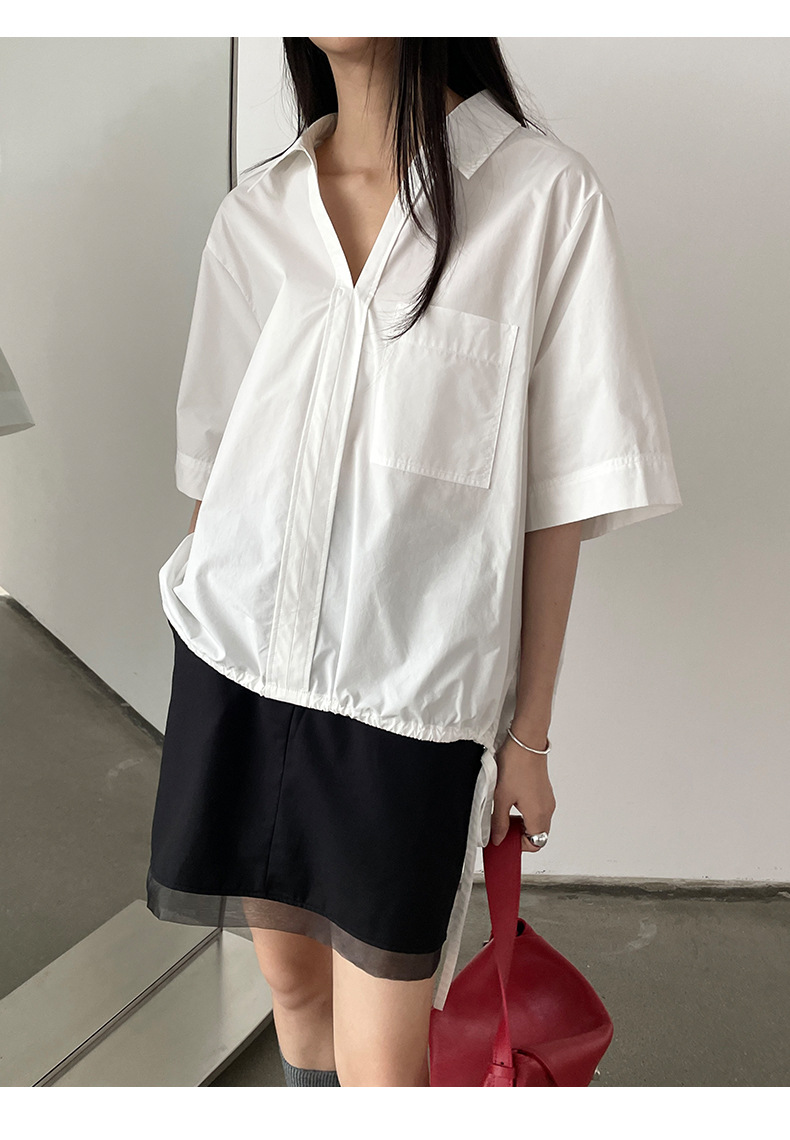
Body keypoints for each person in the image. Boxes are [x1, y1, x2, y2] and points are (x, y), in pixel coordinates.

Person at [146, 37, 682, 1087]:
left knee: (383, 1061)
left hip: (406, 711)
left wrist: (527, 737)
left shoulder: (542, 201)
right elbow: (215, 468)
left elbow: (559, 501)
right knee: (293, 996)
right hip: (237, 667)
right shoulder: (258, 212)